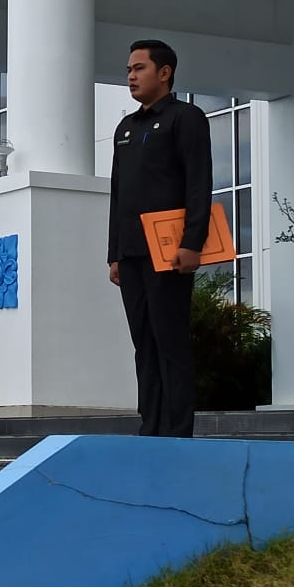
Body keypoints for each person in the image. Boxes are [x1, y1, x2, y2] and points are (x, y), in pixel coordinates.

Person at [107, 39, 212, 438]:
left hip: (170, 251)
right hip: (132, 253)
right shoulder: (126, 127)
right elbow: (118, 195)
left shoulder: (186, 118)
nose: (131, 76)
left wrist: (193, 242)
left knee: (170, 340)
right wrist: (114, 254)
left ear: (164, 72)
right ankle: (149, 426)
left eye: (139, 68)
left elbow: (199, 183)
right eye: (129, 70)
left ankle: (178, 430)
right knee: (144, 344)